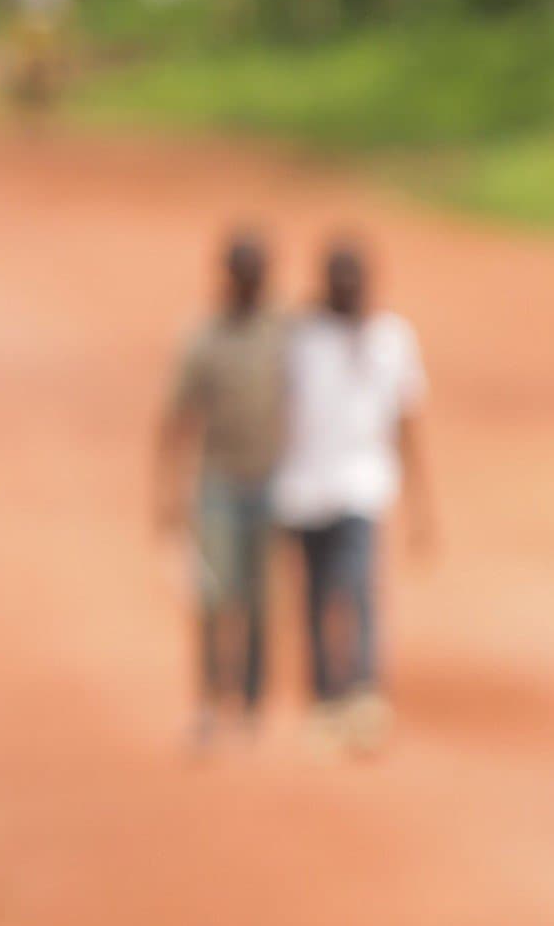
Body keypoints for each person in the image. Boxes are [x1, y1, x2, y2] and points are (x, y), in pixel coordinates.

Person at [271, 237, 438, 755]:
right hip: (302, 485)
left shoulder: (391, 340)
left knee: (357, 589)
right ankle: (325, 700)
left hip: (362, 484)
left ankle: (363, 695)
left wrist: (420, 500)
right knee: (316, 595)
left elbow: (406, 421)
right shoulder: (300, 339)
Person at [153, 227, 288, 752]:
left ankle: (252, 704)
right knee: (214, 596)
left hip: (270, 480)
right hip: (218, 483)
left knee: (258, 599)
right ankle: (211, 700)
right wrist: (166, 491)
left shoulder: (281, 332)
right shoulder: (204, 337)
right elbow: (177, 417)